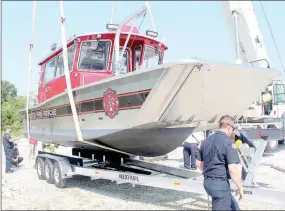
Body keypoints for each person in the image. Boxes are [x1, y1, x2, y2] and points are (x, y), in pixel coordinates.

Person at [196, 115, 244, 210]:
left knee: (234, 207)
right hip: (220, 185)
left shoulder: (205, 141)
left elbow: (198, 164)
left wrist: (208, 173)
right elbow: (233, 169)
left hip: (208, 182)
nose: (232, 132)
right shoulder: (229, 143)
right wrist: (240, 187)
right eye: (233, 129)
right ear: (229, 127)